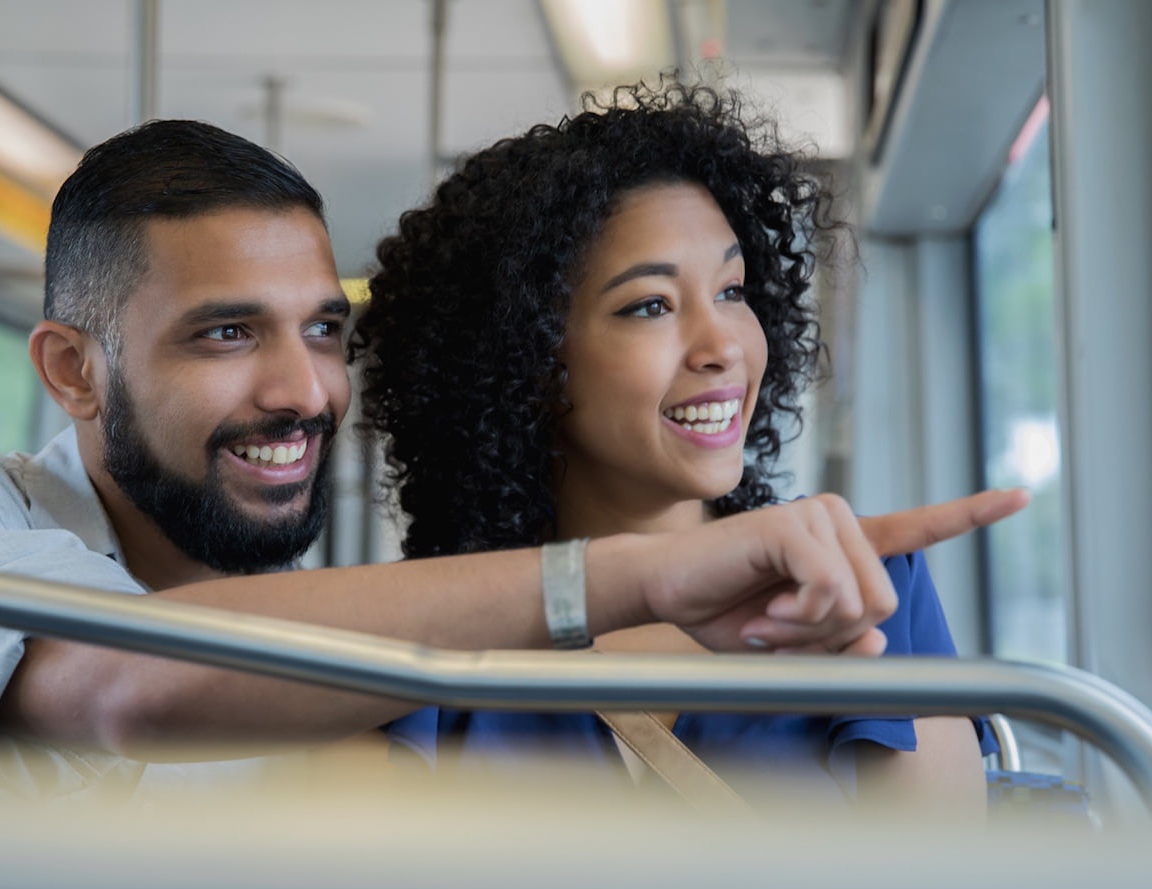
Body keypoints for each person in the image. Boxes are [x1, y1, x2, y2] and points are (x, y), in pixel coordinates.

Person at [0, 118, 1022, 803]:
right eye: (226, 331)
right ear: (69, 370)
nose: (303, 389)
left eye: (324, 329)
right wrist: (643, 578)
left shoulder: (341, 636)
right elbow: (127, 685)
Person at [354, 80, 1021, 817]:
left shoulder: (858, 583)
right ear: (526, 360)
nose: (722, 347)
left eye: (732, 292)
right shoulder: (425, 640)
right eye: (650, 306)